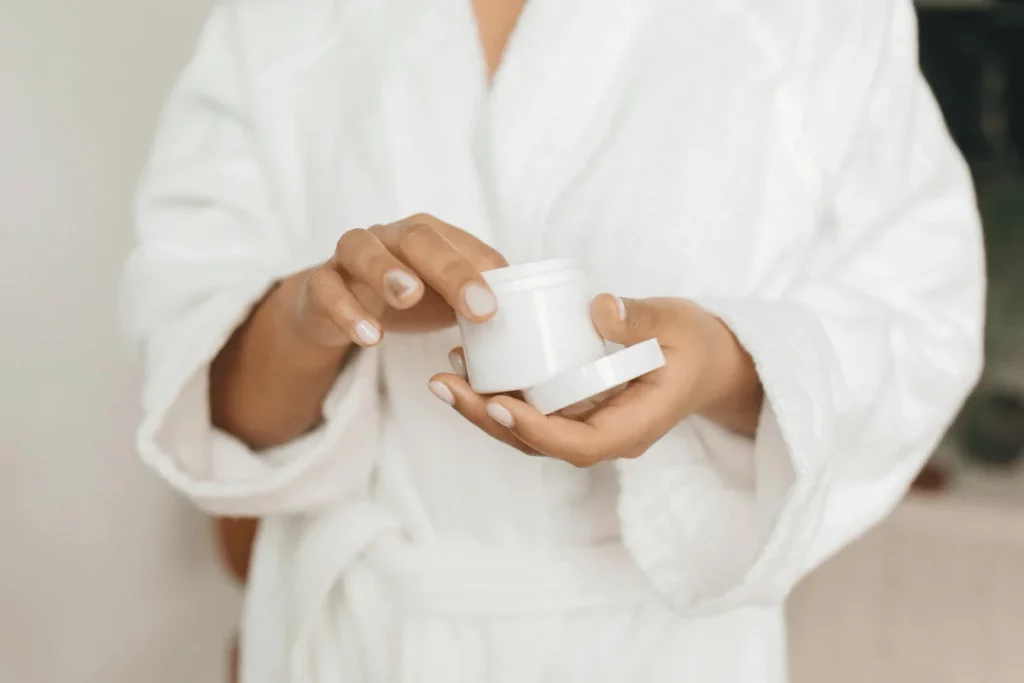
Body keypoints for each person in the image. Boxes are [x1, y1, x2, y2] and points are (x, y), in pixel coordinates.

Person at [120, 0, 986, 681]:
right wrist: (311, 319)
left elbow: (918, 324)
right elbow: (207, 398)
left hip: (656, 647)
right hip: (359, 634)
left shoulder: (821, 17)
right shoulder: (276, 19)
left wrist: (722, 360)